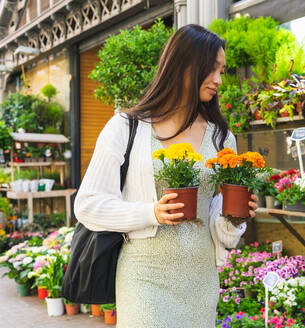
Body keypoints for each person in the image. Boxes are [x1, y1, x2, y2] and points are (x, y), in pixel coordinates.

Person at [74, 24, 258, 328]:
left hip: (200, 275)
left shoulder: (221, 137)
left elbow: (216, 220)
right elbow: (88, 204)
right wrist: (152, 212)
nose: (218, 80)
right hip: (144, 274)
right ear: (184, 66)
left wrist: (234, 218)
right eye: (212, 69)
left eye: (222, 71)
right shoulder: (126, 127)